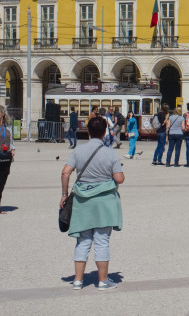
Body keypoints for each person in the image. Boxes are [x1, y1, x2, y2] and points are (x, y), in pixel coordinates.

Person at [61, 115, 125, 291]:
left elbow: (65, 173)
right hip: (104, 203)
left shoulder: (78, 151)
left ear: (88, 131)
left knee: (82, 241)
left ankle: (77, 280)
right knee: (102, 241)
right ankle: (103, 281)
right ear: (105, 132)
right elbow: (119, 178)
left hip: (83, 201)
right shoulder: (110, 153)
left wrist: (64, 194)